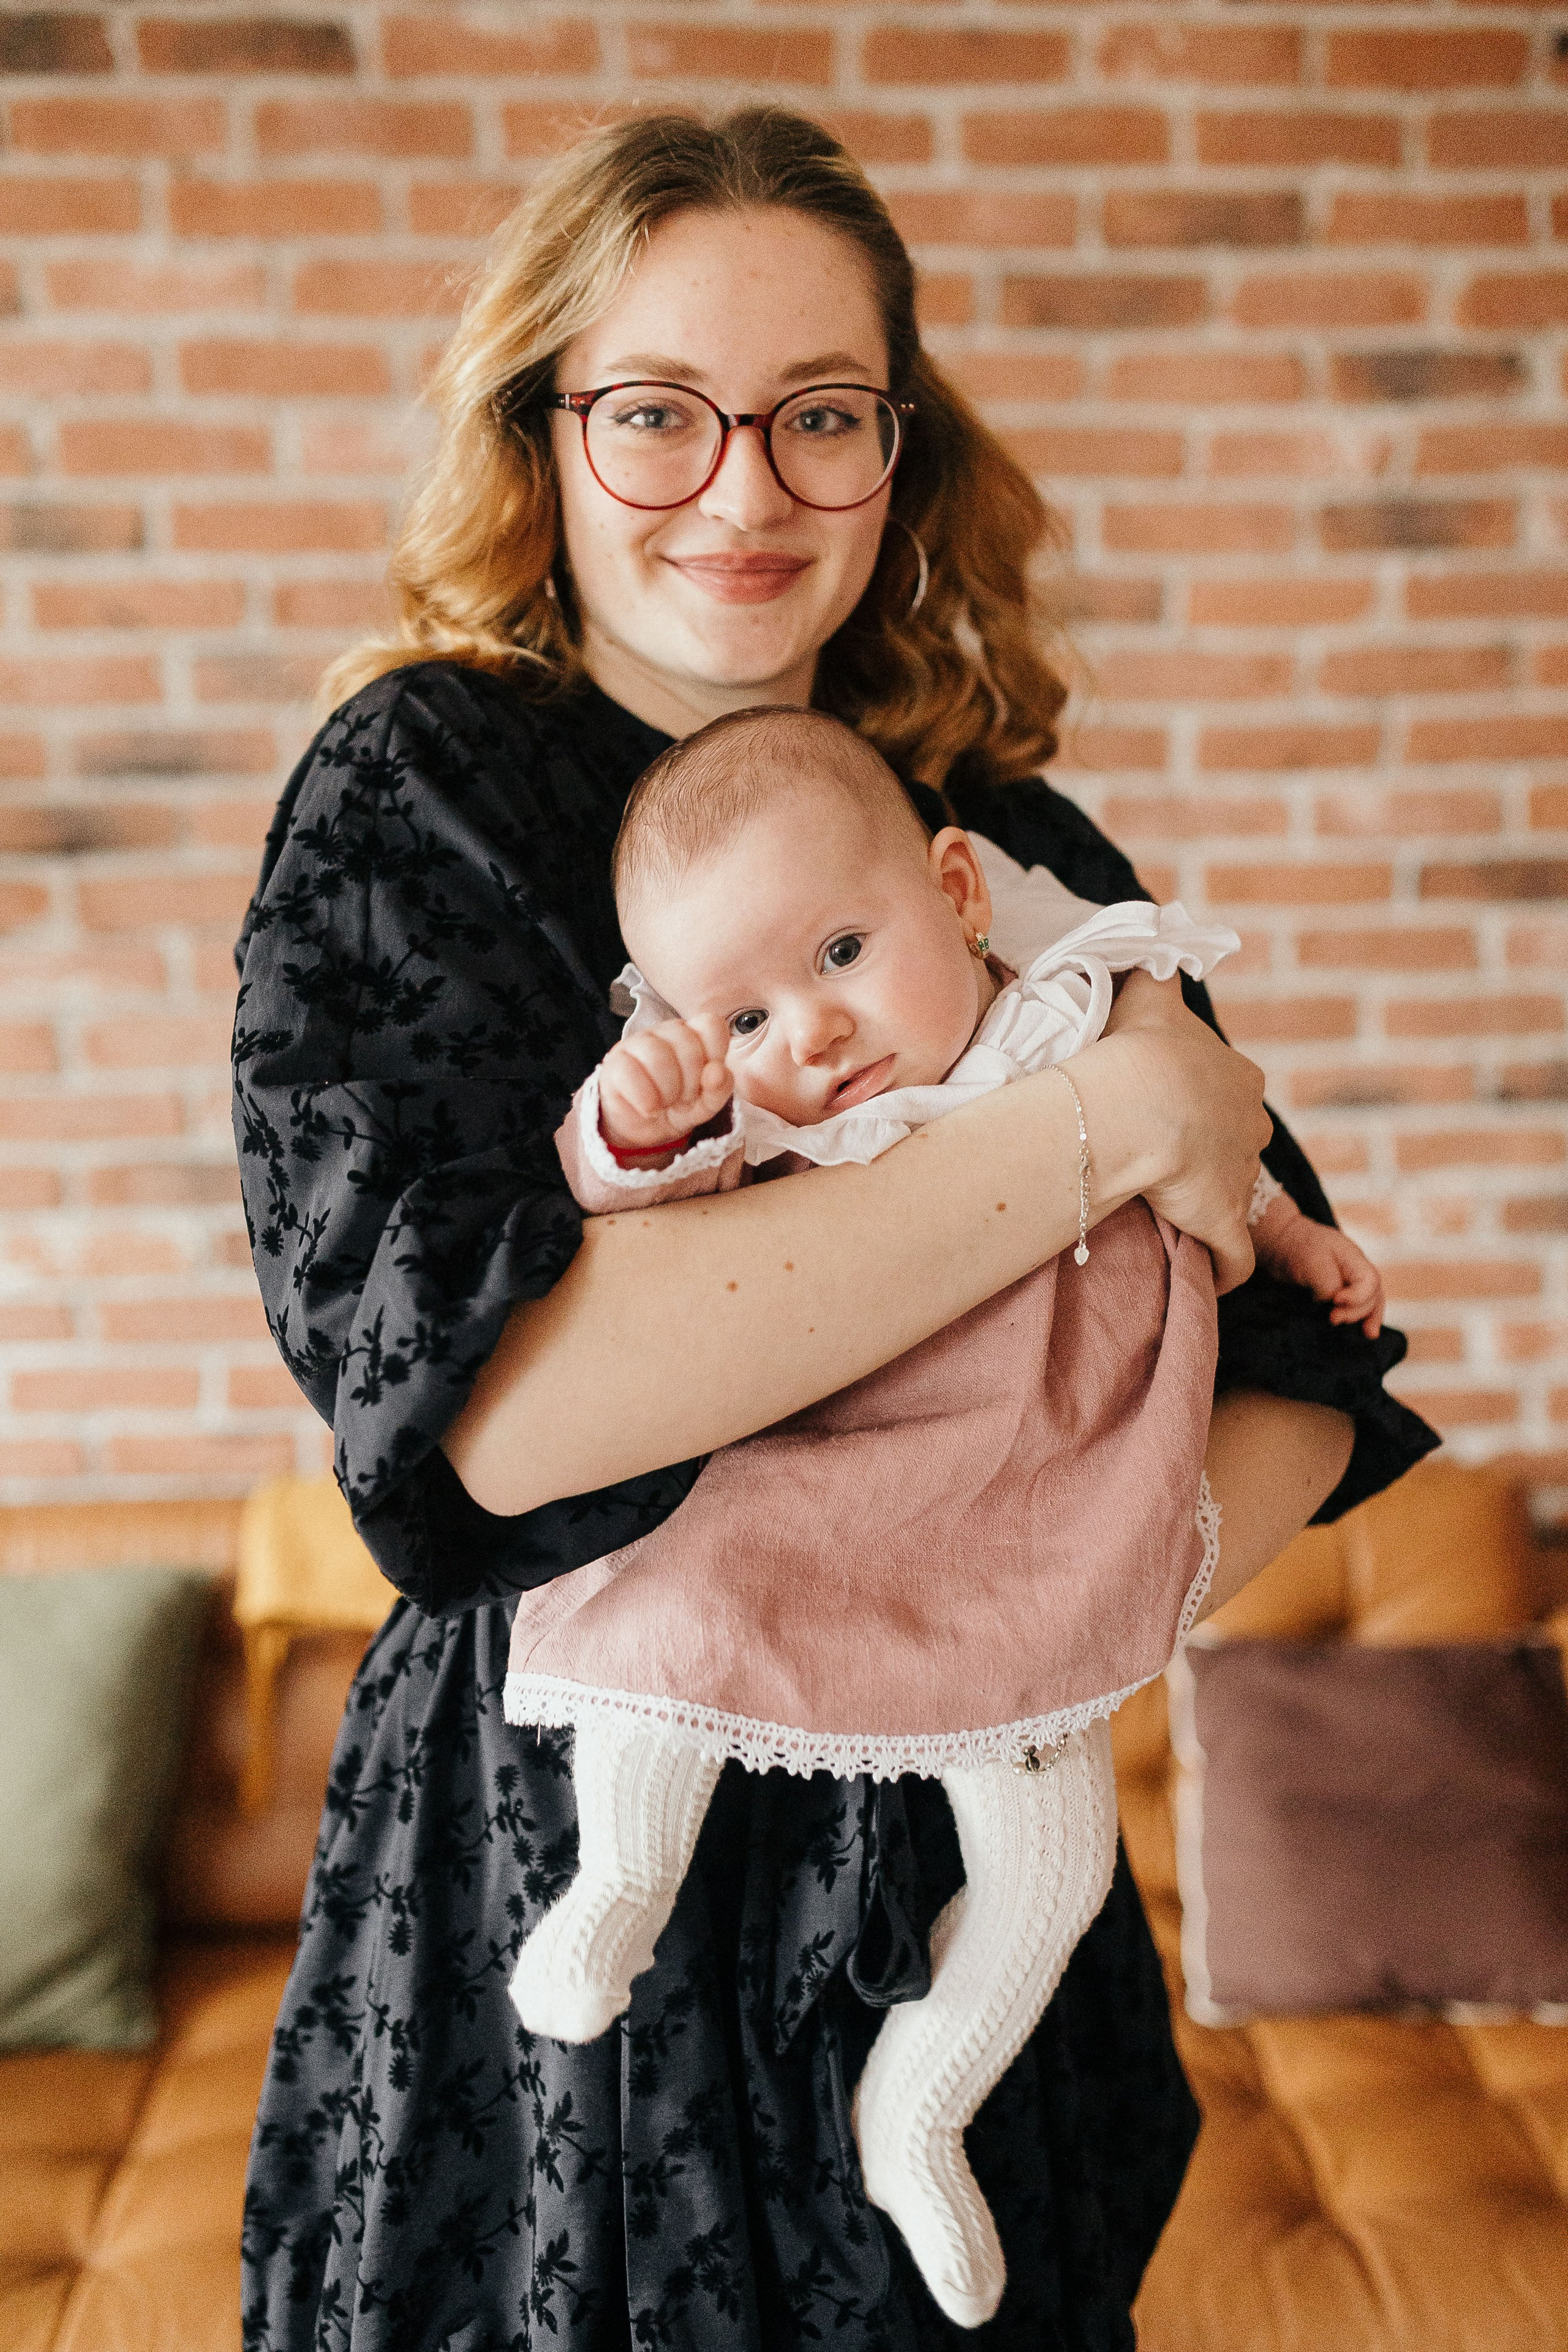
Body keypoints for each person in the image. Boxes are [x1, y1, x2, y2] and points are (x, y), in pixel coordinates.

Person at [235, 108, 1436, 2352]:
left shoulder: (1010, 845)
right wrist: (1105, 1120)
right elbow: (503, 1414)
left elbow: (1304, 1365)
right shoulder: (420, 798)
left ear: (901, 448)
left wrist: (1015, 1597)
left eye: (821, 415)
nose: (745, 490)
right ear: (544, 434)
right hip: (560, 1873)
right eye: (657, 412)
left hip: (965, 1870)